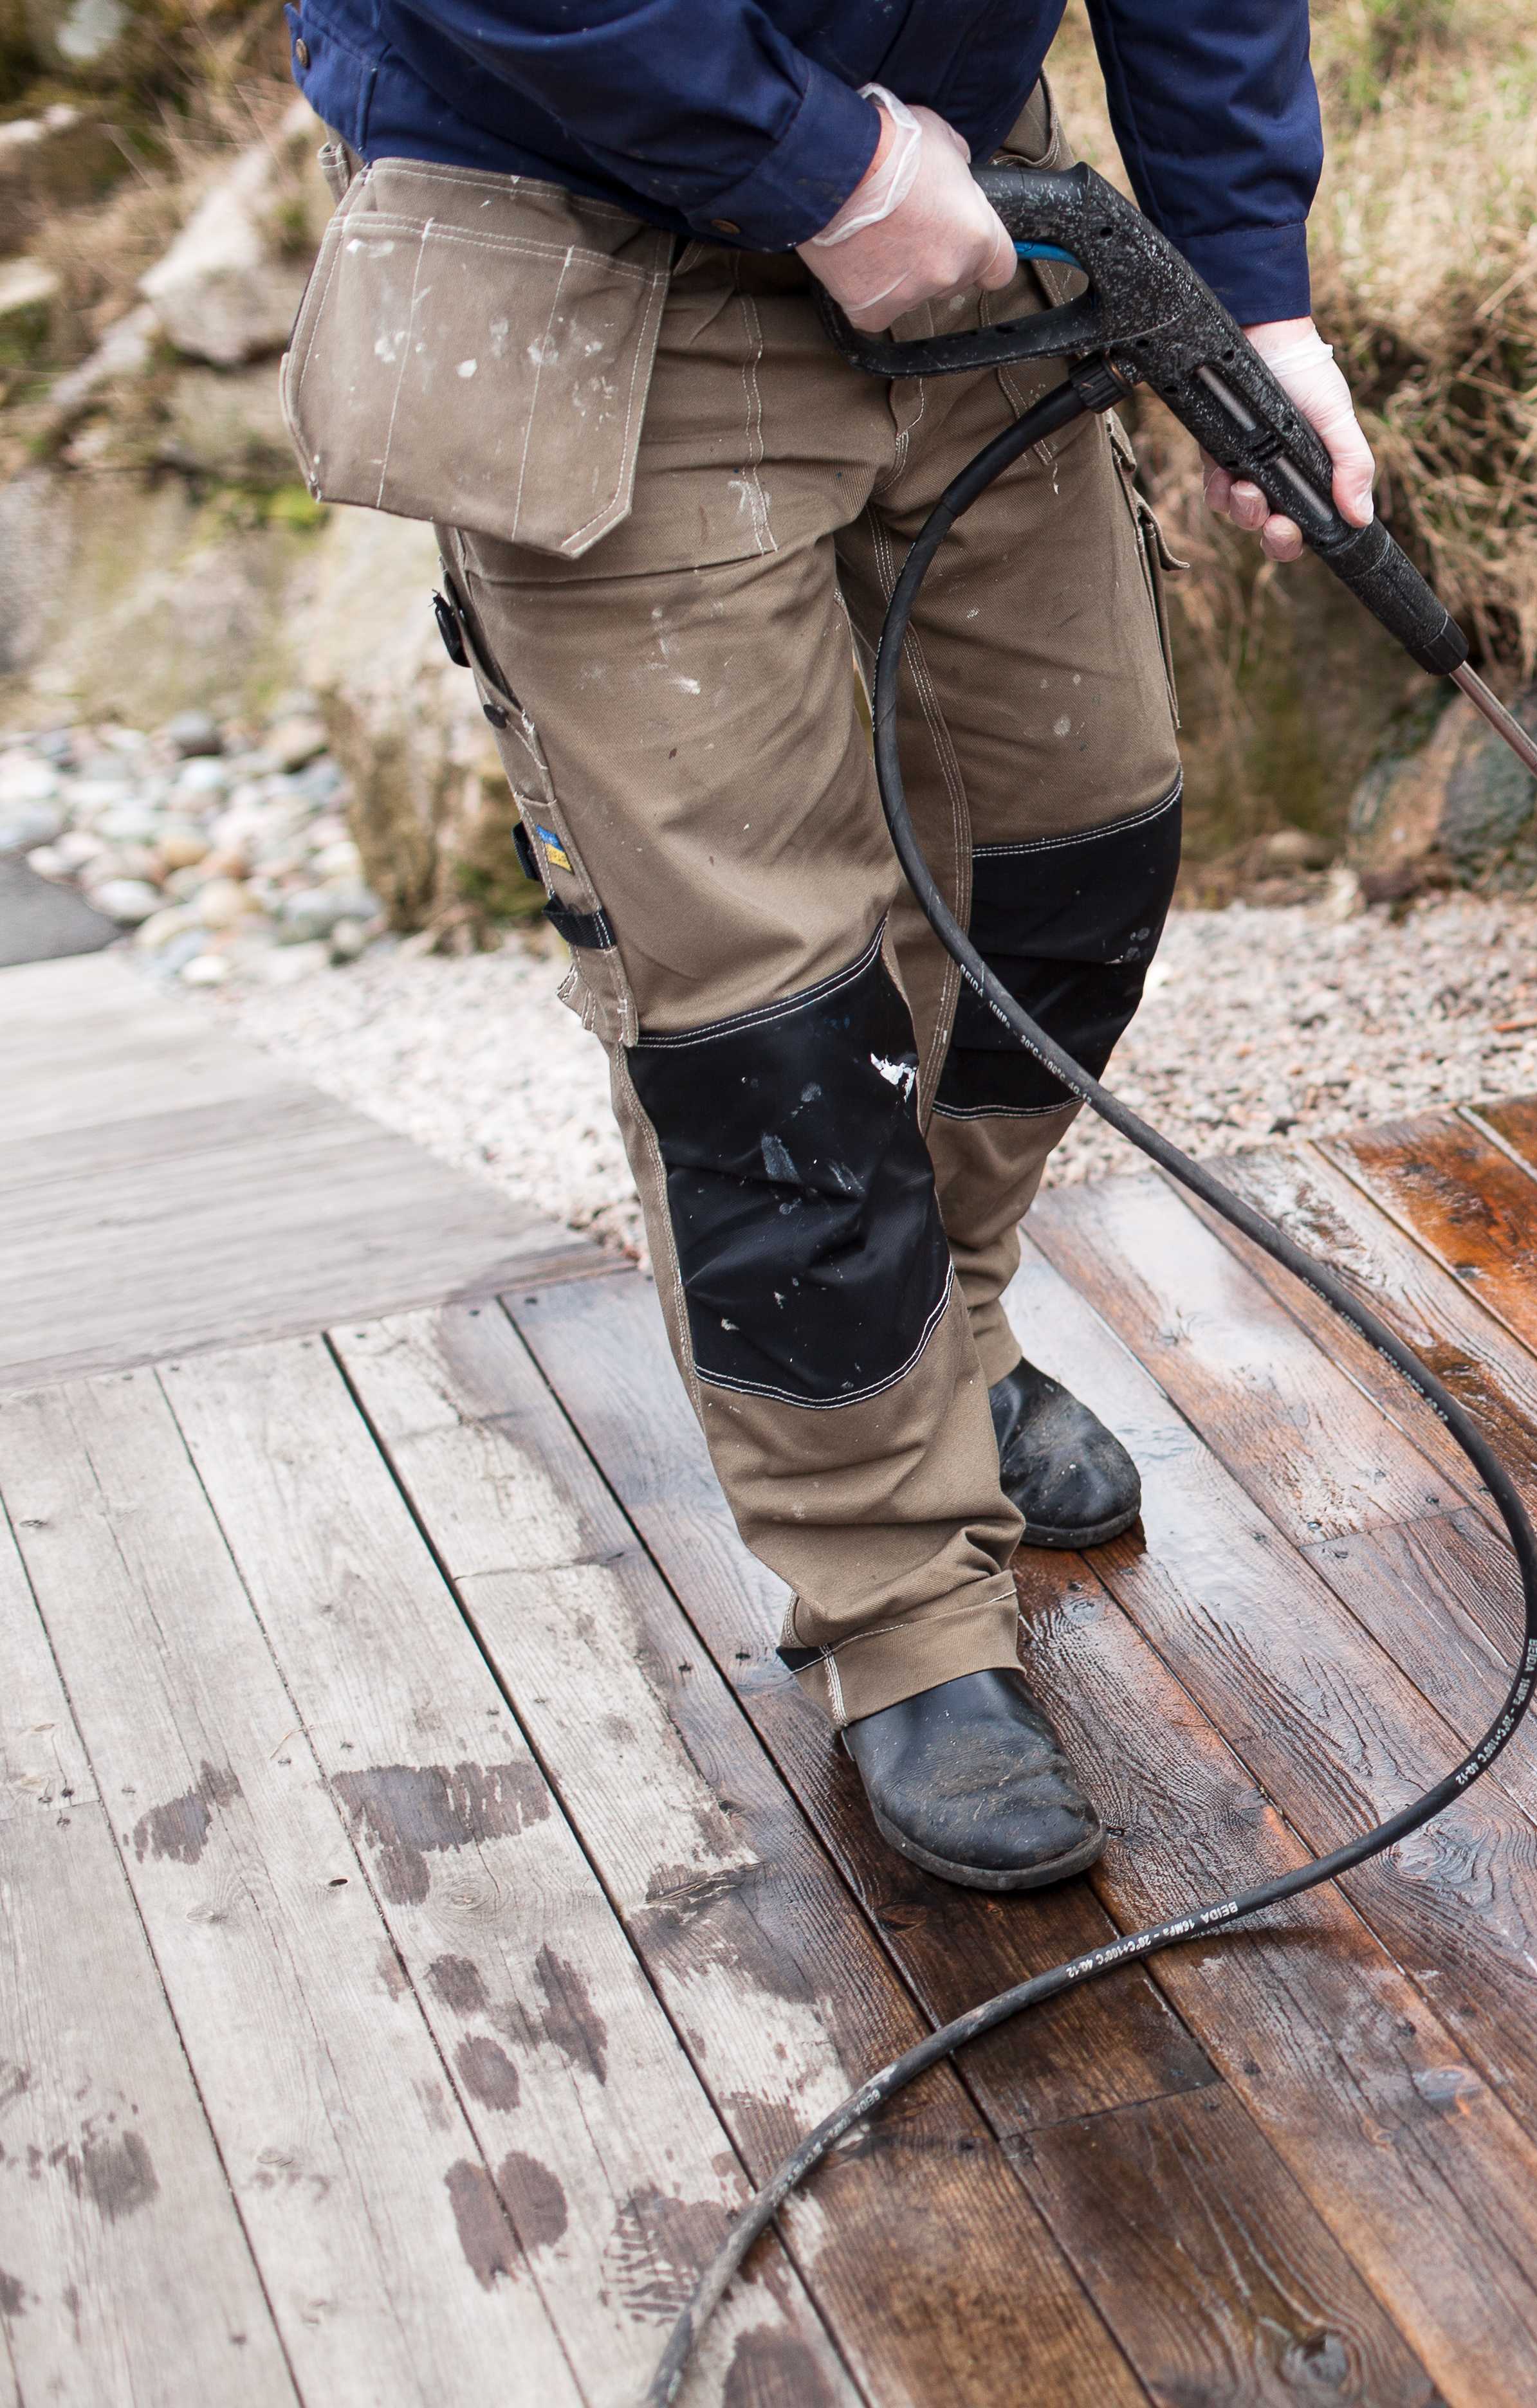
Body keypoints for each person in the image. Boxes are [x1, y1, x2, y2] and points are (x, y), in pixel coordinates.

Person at [275, 0, 1374, 1890]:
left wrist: (1251, 285)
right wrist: (823, 168)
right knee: (765, 1021)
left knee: (1073, 851)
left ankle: (945, 1336)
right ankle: (901, 1608)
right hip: (573, 216)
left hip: (971, 218)